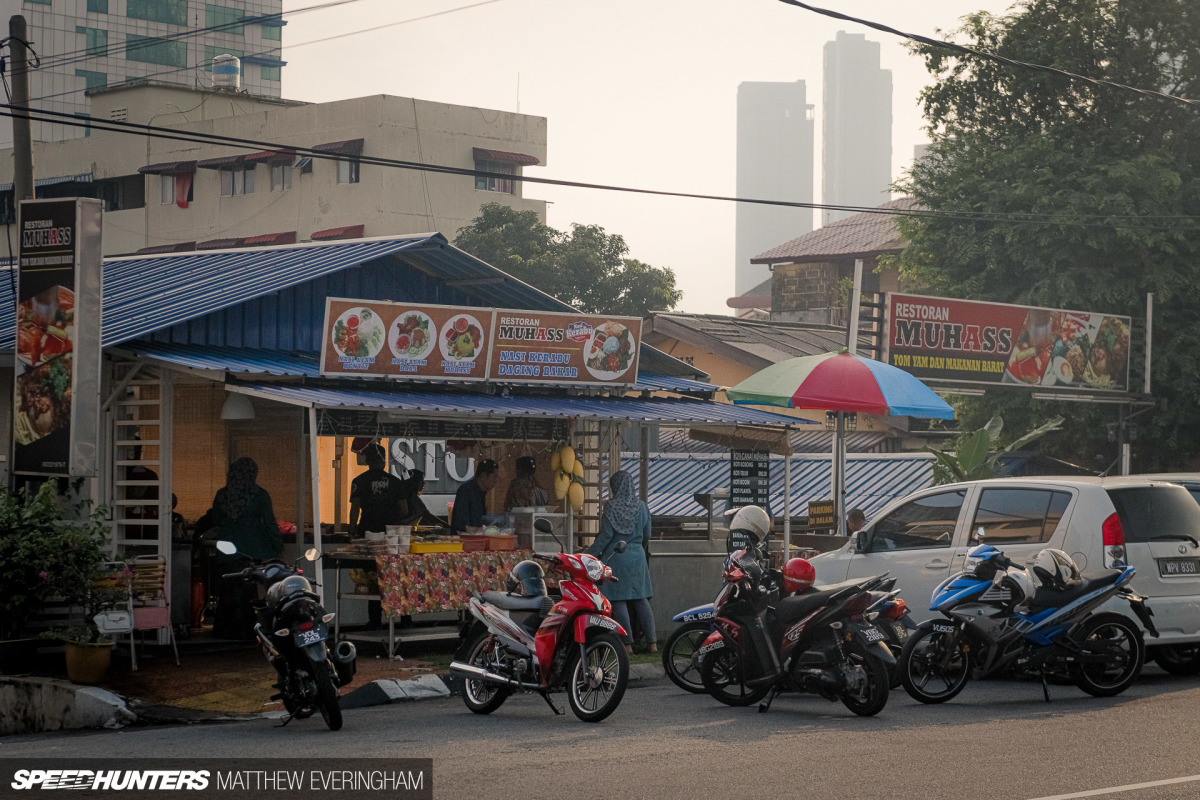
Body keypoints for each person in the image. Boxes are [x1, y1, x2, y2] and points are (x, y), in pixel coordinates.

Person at [197, 457, 282, 639]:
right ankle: (247, 629)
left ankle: (225, 629)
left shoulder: (222, 494)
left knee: (228, 589)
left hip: (226, 549)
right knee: (247, 589)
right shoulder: (259, 495)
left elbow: (217, 520)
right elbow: (270, 523)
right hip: (252, 550)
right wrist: (277, 545)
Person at [586, 469, 655, 655]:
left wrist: (588, 553)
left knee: (618, 601)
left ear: (615, 486)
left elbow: (606, 536)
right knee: (641, 600)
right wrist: (637, 547)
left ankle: (627, 645)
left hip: (616, 557)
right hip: (637, 556)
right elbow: (647, 534)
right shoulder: (642, 507)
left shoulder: (611, 507)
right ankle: (652, 643)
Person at [348, 444, 407, 536]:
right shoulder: (395, 482)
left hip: (367, 530)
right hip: (389, 532)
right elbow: (404, 510)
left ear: (367, 461)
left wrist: (351, 532)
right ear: (384, 460)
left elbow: (355, 509)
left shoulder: (359, 481)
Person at [450, 458, 500, 533]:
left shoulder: (481, 493)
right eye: (494, 476)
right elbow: (461, 524)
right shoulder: (466, 491)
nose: (496, 481)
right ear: (483, 476)